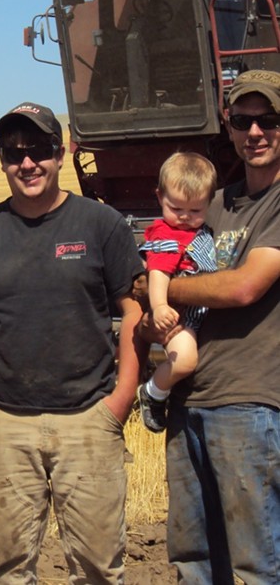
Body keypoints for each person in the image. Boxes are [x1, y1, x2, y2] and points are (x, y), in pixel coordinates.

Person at [0, 102, 146, 583]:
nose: (27, 163)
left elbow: (134, 310)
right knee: (6, 570)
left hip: (90, 423)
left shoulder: (101, 225)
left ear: (61, 152)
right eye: (14, 154)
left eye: (38, 151)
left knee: (98, 569)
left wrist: (120, 401)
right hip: (5, 426)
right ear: (1, 160)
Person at [150, 69, 280, 583]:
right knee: (193, 560)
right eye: (243, 120)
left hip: (249, 401)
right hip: (190, 401)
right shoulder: (215, 204)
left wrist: (158, 290)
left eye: (268, 119)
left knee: (255, 562)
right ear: (228, 127)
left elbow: (243, 287)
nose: (255, 132)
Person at [136, 152, 218, 432]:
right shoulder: (166, 236)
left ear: (210, 203)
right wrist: (159, 306)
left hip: (201, 313)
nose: (184, 217)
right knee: (184, 361)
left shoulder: (203, 231)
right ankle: (154, 392)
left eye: (195, 211)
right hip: (181, 317)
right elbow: (158, 273)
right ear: (159, 197)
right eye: (176, 208)